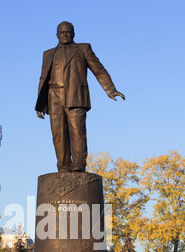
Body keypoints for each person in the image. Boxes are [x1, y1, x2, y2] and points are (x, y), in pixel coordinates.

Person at [35, 21, 125, 172]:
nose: (65, 34)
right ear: (56, 35)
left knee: (77, 131)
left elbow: (99, 70)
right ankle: (63, 166)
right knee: (58, 133)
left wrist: (110, 89)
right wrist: (40, 102)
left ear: (73, 34)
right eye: (62, 32)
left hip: (75, 95)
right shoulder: (48, 54)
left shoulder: (83, 49)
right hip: (54, 96)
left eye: (68, 31)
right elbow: (43, 78)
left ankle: (78, 165)